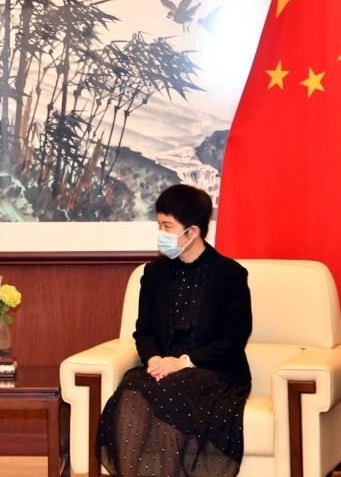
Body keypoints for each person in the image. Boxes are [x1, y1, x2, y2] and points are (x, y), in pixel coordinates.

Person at [96, 184, 252, 477]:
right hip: (162, 368)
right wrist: (154, 359)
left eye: (168, 226)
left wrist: (184, 362)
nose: (161, 233)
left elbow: (234, 340)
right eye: (159, 225)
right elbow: (143, 331)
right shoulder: (153, 274)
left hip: (212, 371)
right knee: (129, 392)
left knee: (168, 395)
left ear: (192, 232)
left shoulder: (230, 275)